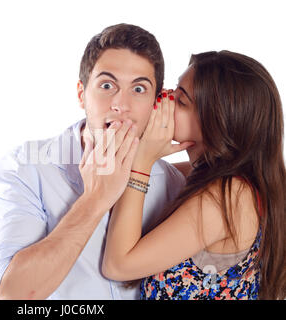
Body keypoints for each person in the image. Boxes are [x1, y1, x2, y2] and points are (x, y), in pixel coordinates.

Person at [0, 24, 191, 299]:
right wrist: (95, 199)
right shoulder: (26, 169)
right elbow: (13, 294)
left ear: (156, 101)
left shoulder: (171, 184)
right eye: (107, 85)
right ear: (82, 94)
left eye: (139, 89)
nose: (121, 104)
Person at [99, 50, 286, 300]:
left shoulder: (227, 197)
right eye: (173, 91)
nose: (164, 100)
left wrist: (142, 161)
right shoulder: (219, 175)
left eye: (181, 100)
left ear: (217, 123)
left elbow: (118, 266)